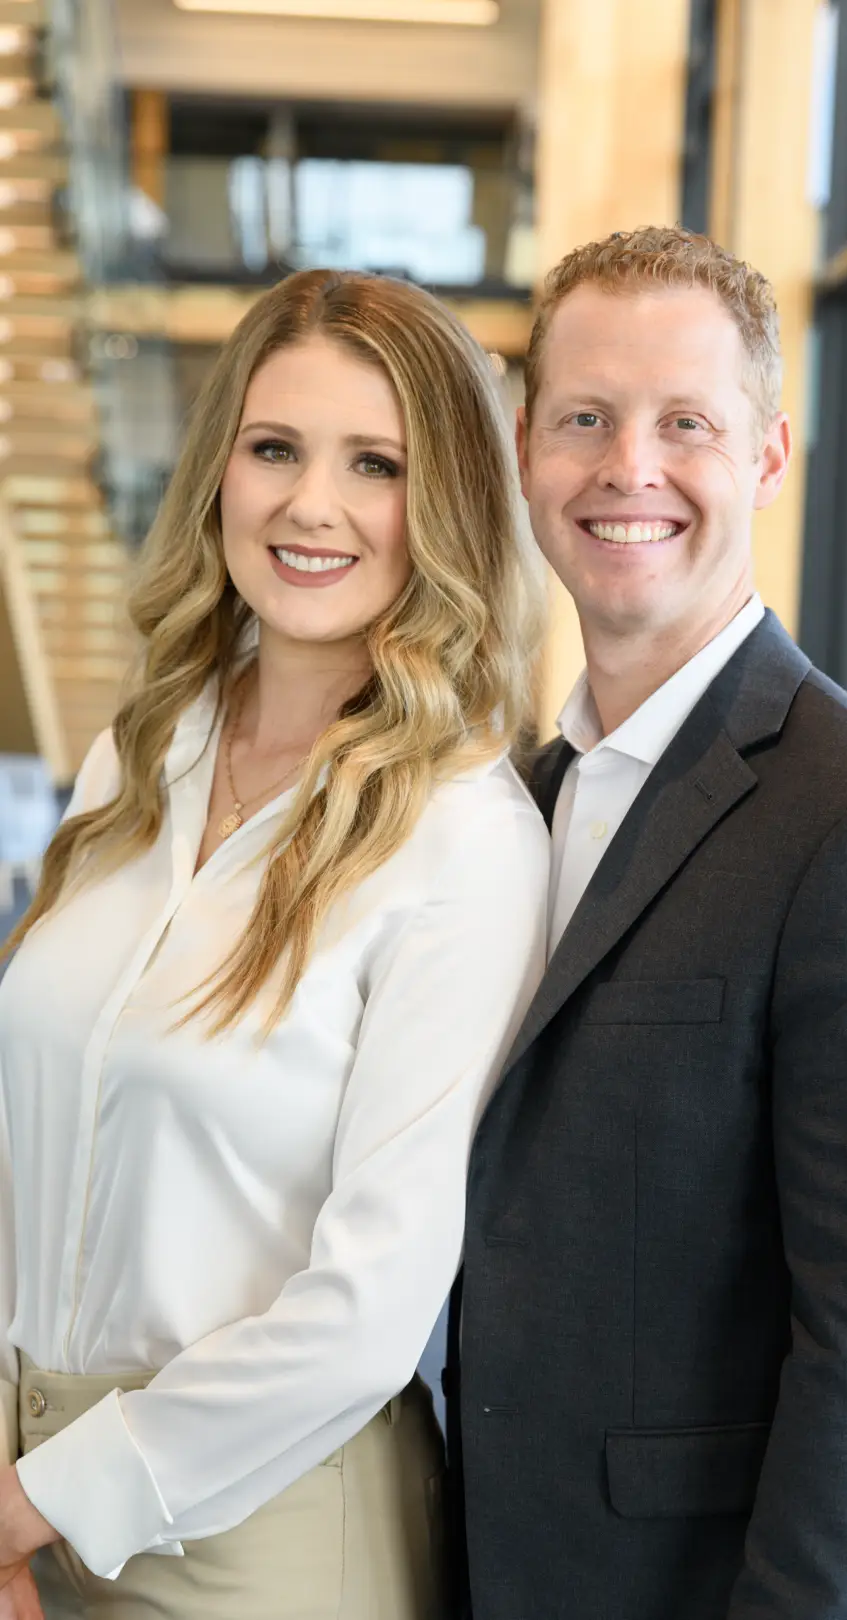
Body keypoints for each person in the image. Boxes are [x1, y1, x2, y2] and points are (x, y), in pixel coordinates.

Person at [447, 227, 847, 1620]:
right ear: (529, 451)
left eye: (685, 425)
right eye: (585, 419)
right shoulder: (513, 803)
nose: (627, 468)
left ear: (768, 459)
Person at [0, 267, 549, 1620]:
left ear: (447, 509)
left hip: (267, 1535)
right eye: (275, 449)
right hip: (30, 1489)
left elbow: (367, 1311)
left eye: (377, 464)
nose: (312, 505)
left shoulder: (464, 839)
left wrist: (35, 1505)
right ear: (220, 474)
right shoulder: (142, 757)